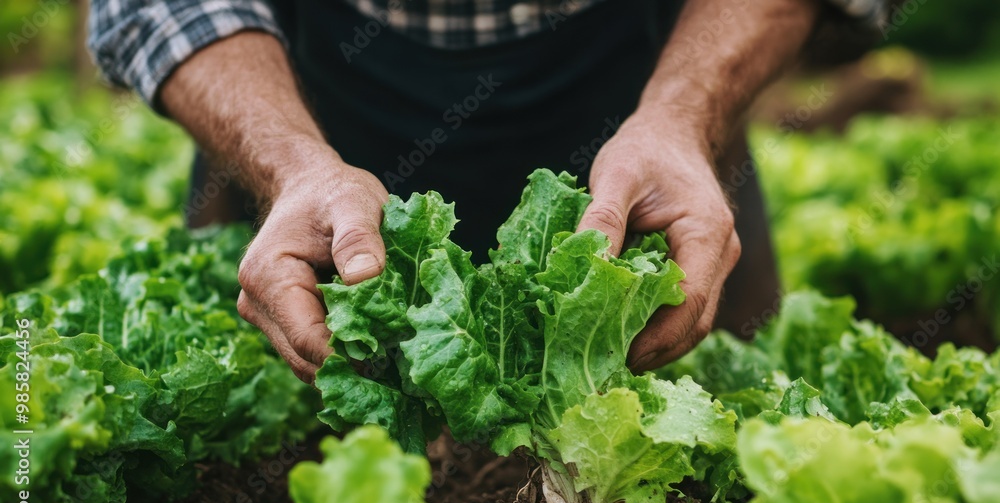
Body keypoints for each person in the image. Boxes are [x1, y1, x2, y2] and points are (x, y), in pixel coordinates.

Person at [88, 0, 886, 383]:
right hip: (299, 102)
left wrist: (682, 114)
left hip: (651, 100)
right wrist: (288, 163)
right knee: (254, 450)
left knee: (710, 415)